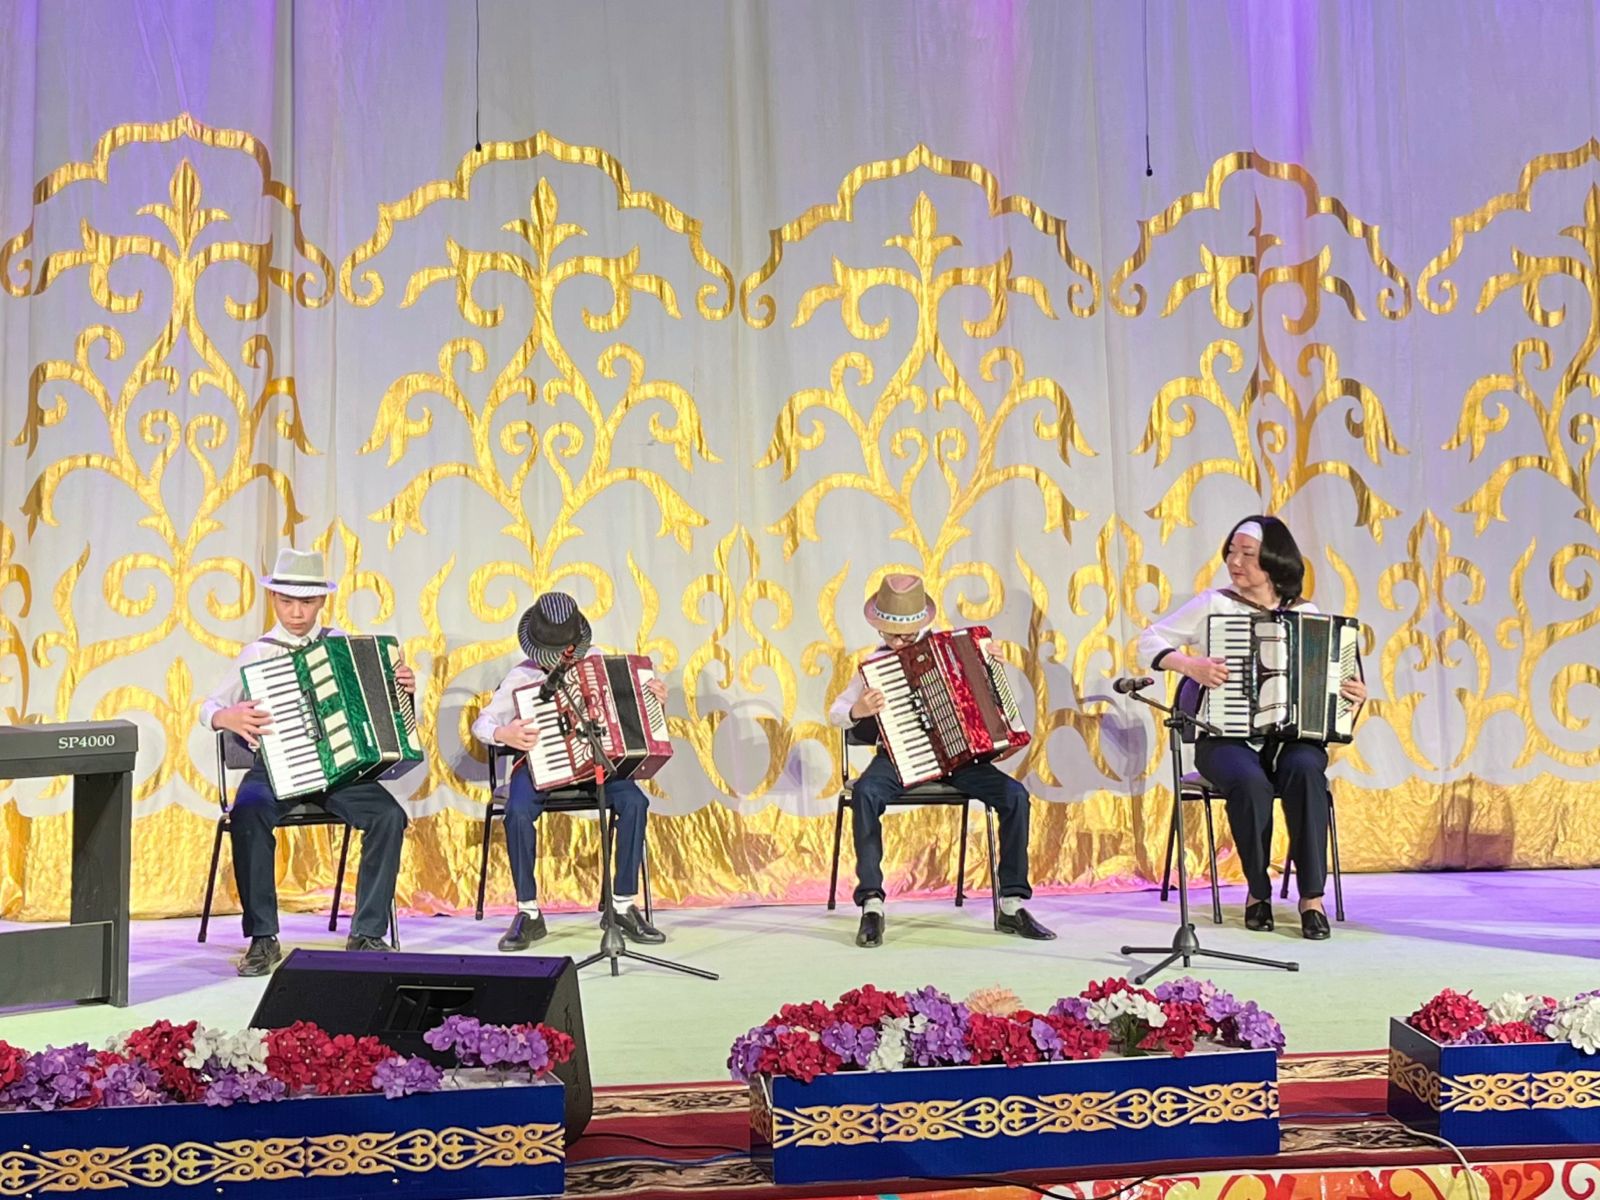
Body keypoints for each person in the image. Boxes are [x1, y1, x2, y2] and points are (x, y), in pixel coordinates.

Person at [1137, 515, 1367, 940]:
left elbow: (1330, 679)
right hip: (1224, 738)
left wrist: (1351, 693)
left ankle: (1311, 899)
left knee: (1306, 771)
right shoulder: (1214, 604)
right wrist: (1190, 665)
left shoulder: (1306, 613)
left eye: (1247, 554)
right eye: (1231, 551)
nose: (1234, 562)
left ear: (1274, 560)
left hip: (1292, 737)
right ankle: (1257, 891)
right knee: (1249, 783)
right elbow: (1148, 641)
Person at [199, 548, 415, 977]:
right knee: (248, 812)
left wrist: (402, 688)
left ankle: (367, 932)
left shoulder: (342, 645)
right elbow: (209, 708)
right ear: (273, 600)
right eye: (286, 602)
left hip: (340, 772)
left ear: (322, 602)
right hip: (274, 769)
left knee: (389, 816)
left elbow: (383, 710)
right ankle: (263, 938)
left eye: (307, 602)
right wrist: (227, 717)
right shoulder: (258, 653)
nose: (296, 613)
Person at [829, 573, 1056, 948]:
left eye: (904, 636)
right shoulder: (876, 664)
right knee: (866, 793)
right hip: (900, 757)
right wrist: (857, 710)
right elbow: (837, 713)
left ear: (919, 626)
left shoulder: (958, 649)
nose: (895, 642)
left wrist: (991, 666)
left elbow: (996, 702)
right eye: (888, 634)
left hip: (960, 760)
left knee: (1014, 796)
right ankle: (872, 905)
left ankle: (1012, 905)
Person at [471, 591, 666, 951]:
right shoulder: (522, 676)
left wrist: (653, 700)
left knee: (635, 803)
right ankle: (528, 912)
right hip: (540, 766)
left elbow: (632, 714)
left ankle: (622, 905)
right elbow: (481, 725)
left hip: (596, 764)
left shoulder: (599, 663)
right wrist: (504, 733)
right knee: (517, 811)